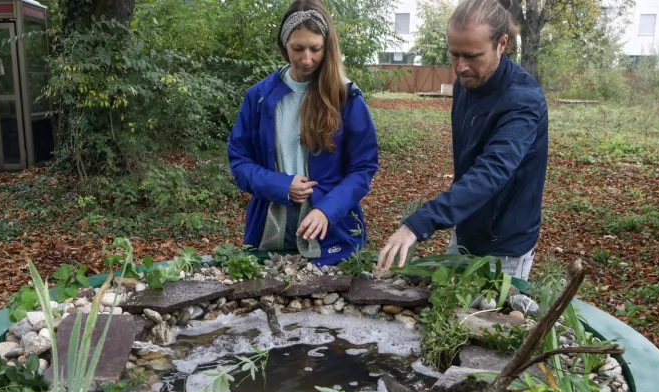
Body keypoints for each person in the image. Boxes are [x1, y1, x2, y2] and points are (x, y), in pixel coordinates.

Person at [376, 0, 548, 280]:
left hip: (503, 246)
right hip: (465, 226)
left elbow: (493, 170)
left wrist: (420, 221)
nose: (460, 67)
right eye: (454, 55)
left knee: (485, 322)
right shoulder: (466, 85)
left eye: (472, 55)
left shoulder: (521, 100)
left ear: (501, 44)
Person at [227, 0, 379, 265]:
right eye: (298, 48)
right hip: (269, 235)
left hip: (334, 235)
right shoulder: (259, 98)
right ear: (285, 45)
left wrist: (326, 210)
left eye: (315, 49)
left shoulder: (346, 98)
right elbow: (240, 161)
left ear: (327, 46)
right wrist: (281, 185)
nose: (306, 59)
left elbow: (363, 167)